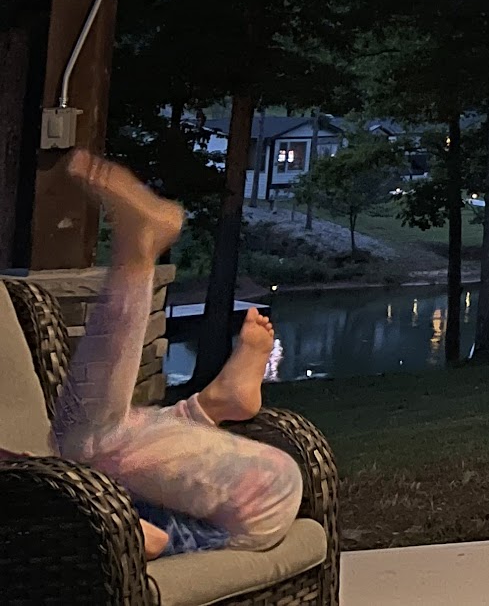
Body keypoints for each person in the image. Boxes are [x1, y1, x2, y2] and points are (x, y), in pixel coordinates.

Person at [45, 151, 303, 559]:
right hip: (256, 495)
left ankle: (213, 402)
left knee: (87, 445)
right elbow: (147, 537)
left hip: (256, 492)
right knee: (85, 443)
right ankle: (136, 255)